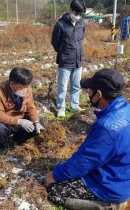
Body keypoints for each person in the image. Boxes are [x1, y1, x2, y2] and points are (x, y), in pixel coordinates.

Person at [45, 68, 130, 209]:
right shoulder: (126, 109)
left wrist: (54, 175)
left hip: (111, 187)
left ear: (99, 94)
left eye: (89, 90)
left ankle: (109, 206)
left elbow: (83, 162)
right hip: (122, 176)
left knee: (55, 190)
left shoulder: (107, 127)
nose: (88, 93)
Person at [0, 67, 45, 150]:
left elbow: (31, 107)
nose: (25, 90)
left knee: (41, 123)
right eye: (21, 88)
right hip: (4, 122)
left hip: (21, 119)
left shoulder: (27, 89)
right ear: (11, 84)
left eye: (27, 87)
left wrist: (36, 122)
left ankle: (17, 140)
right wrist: (19, 122)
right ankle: (2, 146)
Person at [51, 0, 86, 117]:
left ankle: (74, 106)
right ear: (70, 10)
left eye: (80, 14)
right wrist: (63, 52)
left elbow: (81, 39)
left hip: (78, 60)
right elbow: (54, 42)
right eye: (76, 13)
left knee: (76, 85)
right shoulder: (60, 24)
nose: (78, 16)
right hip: (65, 61)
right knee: (62, 87)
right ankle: (61, 107)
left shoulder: (82, 23)